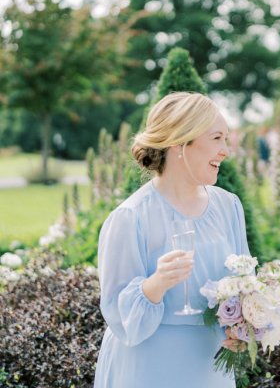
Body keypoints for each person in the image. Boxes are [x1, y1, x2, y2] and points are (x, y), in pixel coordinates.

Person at [94, 92, 249, 388]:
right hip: (149, 369)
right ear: (180, 142)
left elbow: (244, 283)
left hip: (210, 368)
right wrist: (156, 284)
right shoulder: (130, 218)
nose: (225, 151)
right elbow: (119, 317)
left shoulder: (229, 207)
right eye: (217, 138)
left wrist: (243, 327)